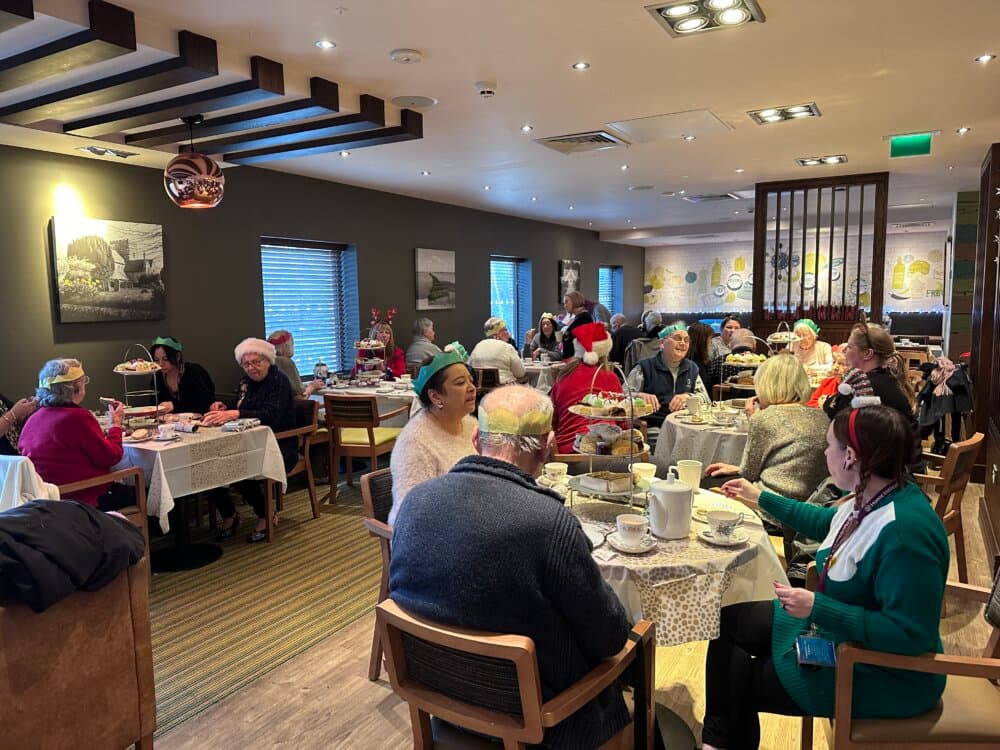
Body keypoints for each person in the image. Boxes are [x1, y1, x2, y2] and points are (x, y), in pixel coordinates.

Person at [390, 385, 632, 749]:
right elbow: (610, 639)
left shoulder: (415, 502)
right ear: (547, 446)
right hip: (543, 723)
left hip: (442, 699)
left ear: (476, 439)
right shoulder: (549, 523)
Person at [703, 406, 949, 750]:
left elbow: (909, 636)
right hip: (843, 637)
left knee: (738, 684)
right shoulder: (877, 491)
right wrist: (759, 497)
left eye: (828, 445)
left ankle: (718, 742)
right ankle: (717, 743)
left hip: (885, 672)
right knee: (728, 622)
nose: (824, 453)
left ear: (850, 456)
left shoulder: (906, 536)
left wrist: (819, 607)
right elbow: (826, 523)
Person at [704, 354, 832, 552]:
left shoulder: (765, 418)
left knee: (707, 481)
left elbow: (748, 473)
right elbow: (791, 460)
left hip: (773, 509)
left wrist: (754, 420)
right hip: (811, 506)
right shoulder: (821, 415)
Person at [203, 338, 297, 543]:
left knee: (239, 466)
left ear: (268, 360)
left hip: (279, 444)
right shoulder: (246, 381)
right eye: (246, 364)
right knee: (208, 464)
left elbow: (271, 415)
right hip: (249, 443)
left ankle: (265, 513)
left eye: (256, 362)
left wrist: (236, 413)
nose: (251, 368)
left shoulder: (278, 381)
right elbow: (243, 403)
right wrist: (225, 406)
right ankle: (229, 513)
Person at [18, 358, 133, 510]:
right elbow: (111, 457)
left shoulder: (33, 419)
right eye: (83, 380)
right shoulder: (77, 417)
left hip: (46, 500)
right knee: (145, 491)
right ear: (76, 387)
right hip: (83, 498)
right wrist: (116, 425)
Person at [388, 343, 478, 526]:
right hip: (432, 535)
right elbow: (411, 513)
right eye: (461, 383)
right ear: (436, 397)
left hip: (471, 518)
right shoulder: (415, 443)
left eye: (471, 380)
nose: (471, 388)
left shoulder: (471, 424)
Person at [549, 322, 657, 454]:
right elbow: (622, 420)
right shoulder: (610, 377)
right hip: (605, 450)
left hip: (567, 450)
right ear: (605, 352)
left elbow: (553, 421)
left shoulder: (563, 375)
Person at [822, 323, 914, 422]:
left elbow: (834, 412)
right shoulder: (889, 376)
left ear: (867, 354)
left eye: (849, 347)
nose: (844, 351)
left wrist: (828, 400)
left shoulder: (864, 385)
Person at [626, 323, 708, 427]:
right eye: (677, 338)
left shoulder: (692, 368)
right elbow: (623, 396)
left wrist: (688, 397)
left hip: (686, 425)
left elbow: (705, 399)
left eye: (686, 340)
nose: (683, 343)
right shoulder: (645, 367)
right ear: (662, 343)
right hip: (655, 426)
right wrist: (640, 396)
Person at [149, 335, 218, 413]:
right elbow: (153, 405)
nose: (161, 364)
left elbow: (207, 402)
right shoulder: (158, 377)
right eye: (157, 360)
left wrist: (174, 405)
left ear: (177, 356)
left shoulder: (195, 371)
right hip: (168, 423)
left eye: (166, 359)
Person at [266, 330, 325, 398]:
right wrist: (312, 387)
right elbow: (300, 398)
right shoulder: (285, 362)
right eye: (292, 344)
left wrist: (307, 386)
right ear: (286, 346)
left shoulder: (267, 361)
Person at [468, 316, 526, 384]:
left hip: (480, 390)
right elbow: (520, 373)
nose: (508, 333)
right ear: (498, 333)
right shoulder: (507, 347)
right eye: (505, 330)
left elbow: (469, 367)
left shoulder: (478, 346)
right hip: (504, 388)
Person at [560, 291, 593, 360]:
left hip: (578, 360)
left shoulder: (584, 318)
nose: (564, 305)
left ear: (575, 301)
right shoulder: (578, 318)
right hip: (571, 359)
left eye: (566, 302)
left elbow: (583, 345)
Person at [686, 322, 716, 387]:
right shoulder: (696, 365)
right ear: (702, 340)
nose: (711, 342)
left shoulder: (689, 360)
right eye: (710, 338)